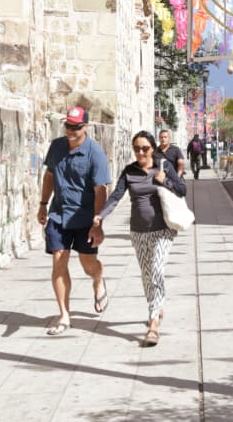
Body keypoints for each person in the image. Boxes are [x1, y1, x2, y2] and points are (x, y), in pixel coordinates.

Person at [96, 130, 187, 347]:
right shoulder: (130, 171)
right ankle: (157, 305)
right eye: (136, 148)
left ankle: (153, 324)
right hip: (138, 231)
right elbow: (116, 195)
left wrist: (165, 182)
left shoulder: (164, 167)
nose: (140, 152)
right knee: (147, 276)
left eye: (145, 148)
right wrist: (101, 216)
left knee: (156, 270)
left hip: (163, 230)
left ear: (153, 148)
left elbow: (182, 190)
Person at [38, 106, 110, 336]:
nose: (70, 130)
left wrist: (98, 224)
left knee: (88, 264)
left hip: (85, 218)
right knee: (59, 261)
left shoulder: (95, 153)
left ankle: (98, 279)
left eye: (76, 127)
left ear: (85, 127)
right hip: (58, 214)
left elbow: (101, 190)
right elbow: (49, 175)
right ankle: (64, 315)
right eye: (68, 125)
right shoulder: (57, 146)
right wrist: (42, 204)